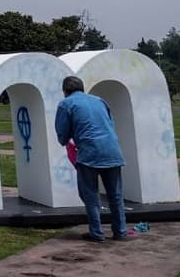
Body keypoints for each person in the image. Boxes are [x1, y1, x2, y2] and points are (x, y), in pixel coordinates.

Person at [55, 76, 127, 242]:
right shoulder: (100, 100)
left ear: (65, 91)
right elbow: (110, 124)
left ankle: (97, 232)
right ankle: (120, 231)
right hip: (112, 150)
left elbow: (62, 134)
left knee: (90, 194)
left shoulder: (66, 104)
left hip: (89, 153)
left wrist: (67, 140)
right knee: (115, 195)